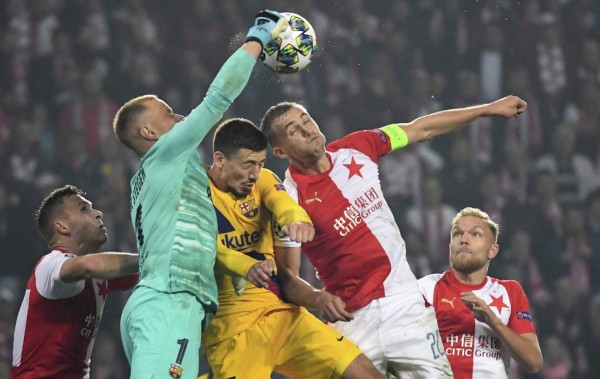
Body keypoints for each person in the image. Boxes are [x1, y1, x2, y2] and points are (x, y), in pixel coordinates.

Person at [259, 95, 528, 377]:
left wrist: (486, 110)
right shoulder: (286, 200)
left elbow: (419, 129)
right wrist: (318, 298)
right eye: (294, 131)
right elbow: (287, 278)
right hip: (351, 322)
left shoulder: (358, 147)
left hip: (405, 306)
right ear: (280, 151)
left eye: (307, 120)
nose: (307, 130)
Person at [112, 10, 289, 379]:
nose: (179, 118)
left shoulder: (152, 181)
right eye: (168, 114)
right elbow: (217, 99)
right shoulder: (166, 152)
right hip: (169, 302)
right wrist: (257, 38)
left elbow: (202, 245)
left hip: (167, 302)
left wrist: (245, 266)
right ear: (148, 132)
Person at [203, 118, 385, 379]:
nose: (254, 174)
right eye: (247, 165)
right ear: (220, 160)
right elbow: (209, 251)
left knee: (367, 376)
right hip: (233, 333)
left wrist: (295, 219)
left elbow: (282, 203)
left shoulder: (263, 180)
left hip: (285, 318)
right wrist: (248, 266)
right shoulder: (196, 195)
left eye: (260, 164)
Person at [11, 185, 138, 379]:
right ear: (62, 226)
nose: (98, 213)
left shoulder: (97, 274)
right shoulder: (49, 265)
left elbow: (142, 270)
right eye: (83, 208)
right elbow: (87, 266)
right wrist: (148, 258)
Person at [418, 207, 543, 378]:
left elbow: (534, 362)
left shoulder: (510, 292)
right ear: (450, 246)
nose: (464, 240)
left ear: (492, 250)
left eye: (475, 234)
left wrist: (494, 322)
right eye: (457, 234)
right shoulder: (426, 288)